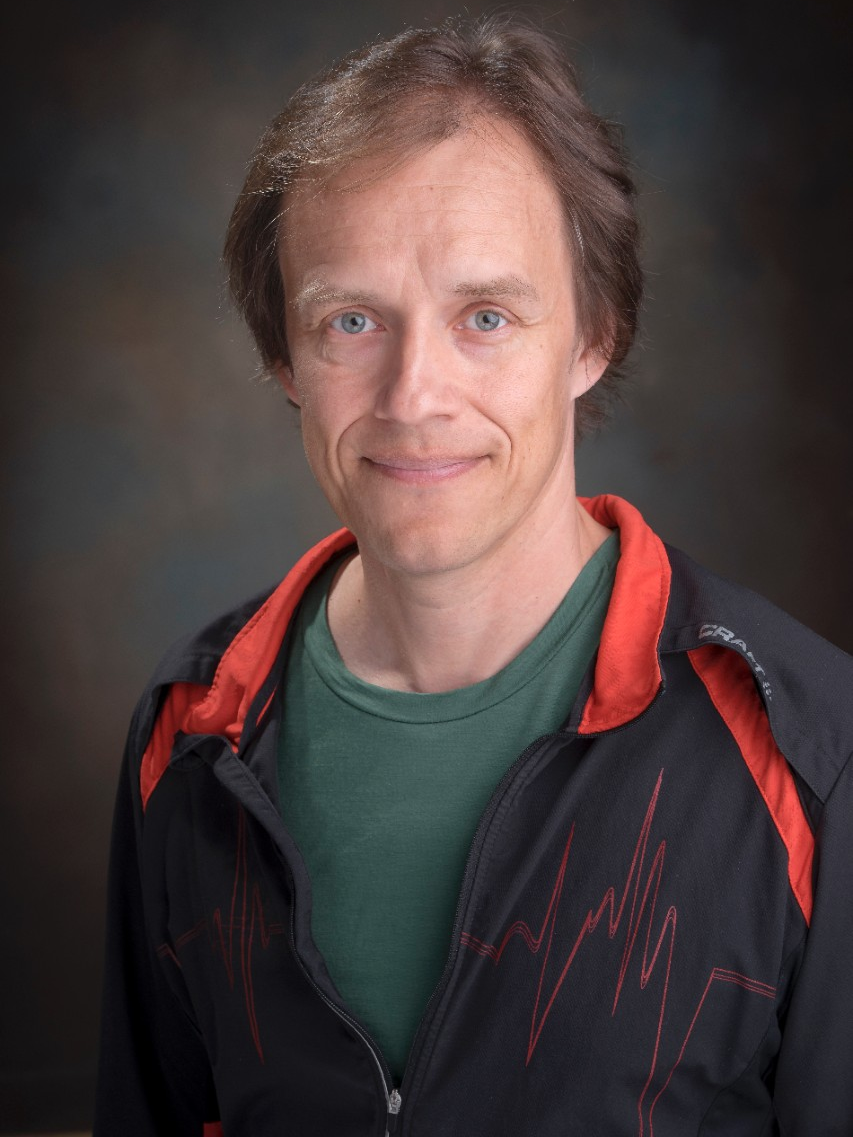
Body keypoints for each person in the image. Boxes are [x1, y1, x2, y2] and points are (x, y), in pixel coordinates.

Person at [94, 16, 853, 1136]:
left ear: (593, 334)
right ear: (285, 357)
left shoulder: (809, 748)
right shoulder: (189, 727)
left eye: (485, 316)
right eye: (352, 321)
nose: (413, 395)